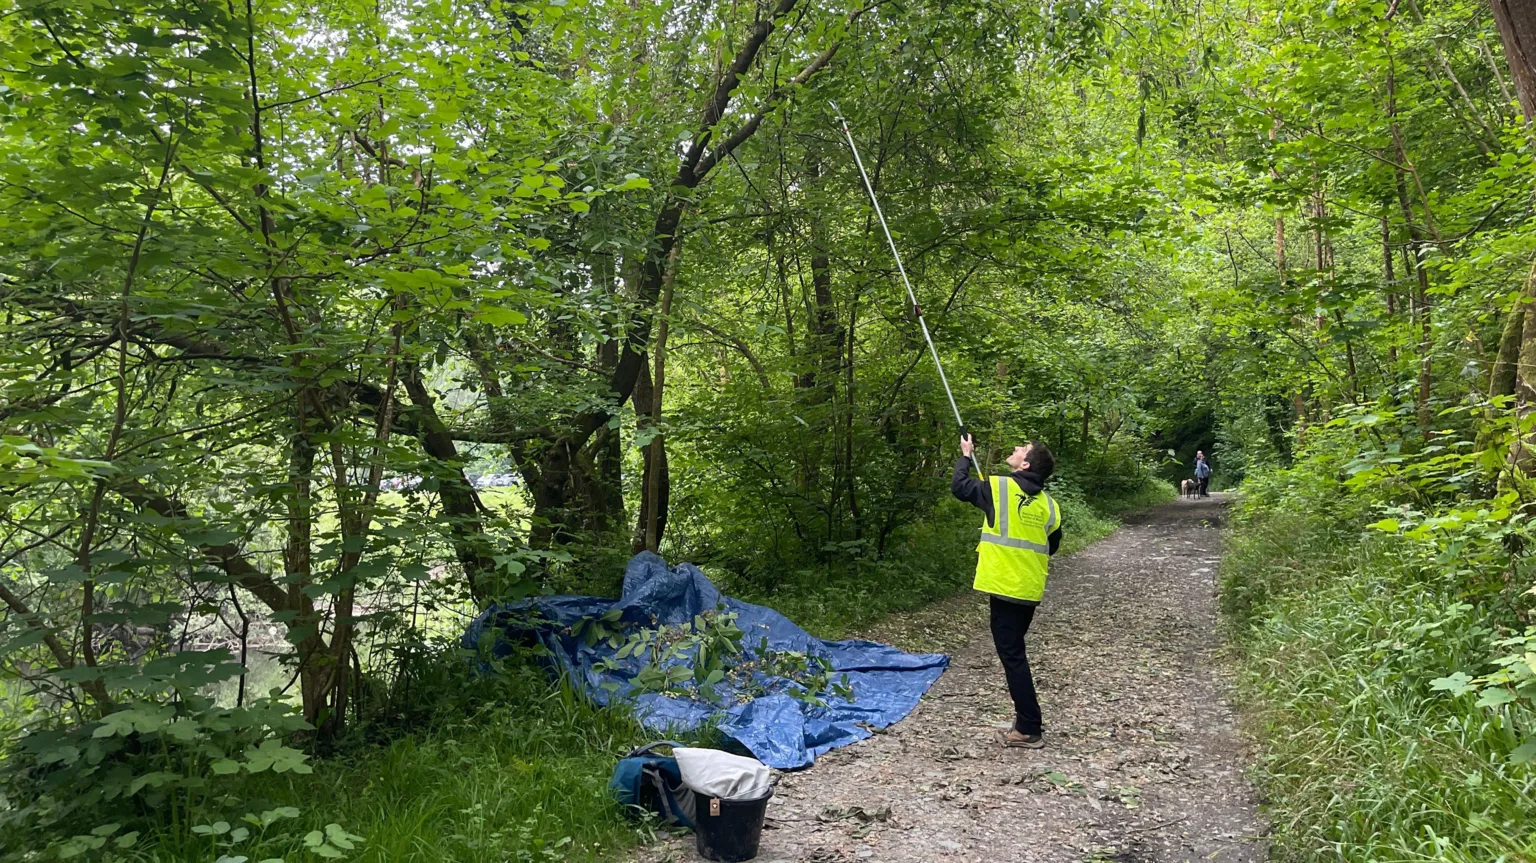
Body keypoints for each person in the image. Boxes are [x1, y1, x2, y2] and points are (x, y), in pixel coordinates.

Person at [952, 434, 1062, 749]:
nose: (1015, 449)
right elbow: (1050, 546)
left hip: (1004, 588)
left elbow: (960, 486)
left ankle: (1029, 726)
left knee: (1012, 655)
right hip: (1028, 590)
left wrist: (965, 455)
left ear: (1025, 464)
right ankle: (1027, 723)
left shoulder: (998, 489)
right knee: (1013, 652)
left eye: (1021, 450)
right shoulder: (1050, 506)